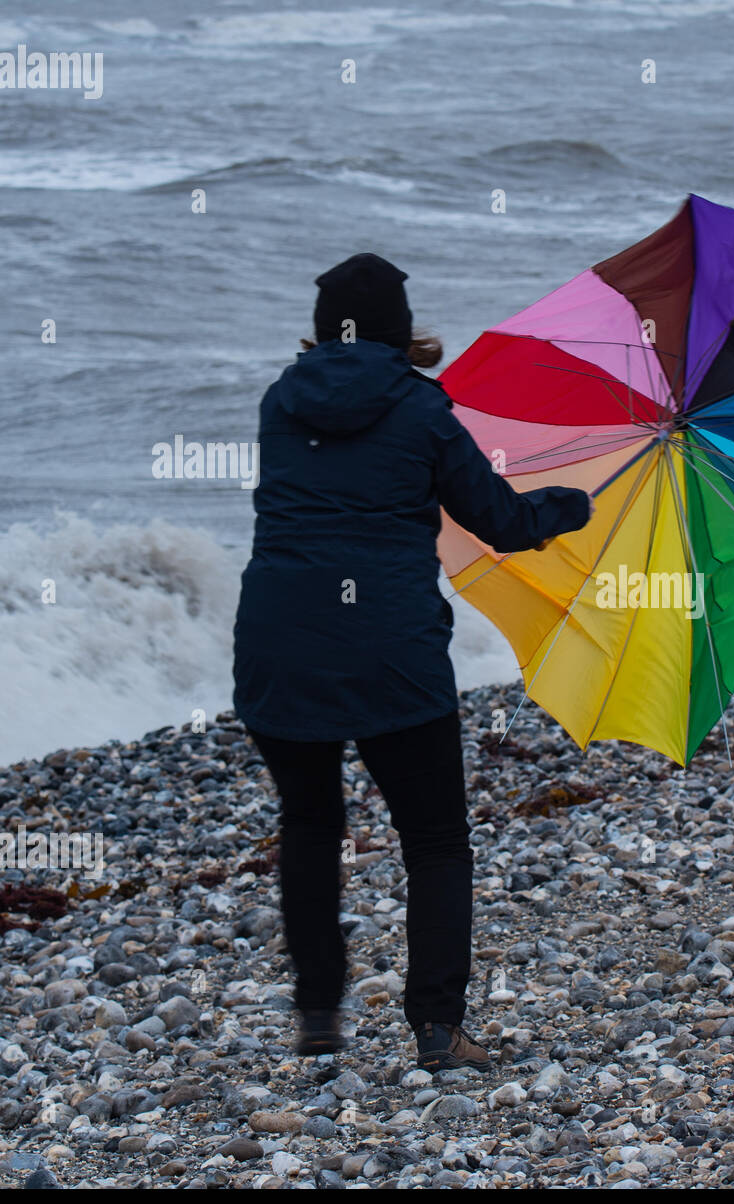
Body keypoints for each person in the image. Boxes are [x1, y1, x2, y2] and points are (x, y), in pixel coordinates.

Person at [232, 253, 592, 1072]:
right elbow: (501, 521)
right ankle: (437, 1028)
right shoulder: (424, 411)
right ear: (401, 329)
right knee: (432, 840)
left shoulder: (279, 405)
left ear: (324, 331)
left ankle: (319, 1013)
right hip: (391, 650)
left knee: (312, 825)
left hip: (277, 644)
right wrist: (573, 503)